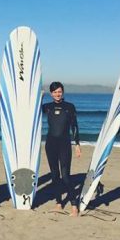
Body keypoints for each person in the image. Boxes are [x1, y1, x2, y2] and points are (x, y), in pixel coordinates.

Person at [42, 81, 81, 216]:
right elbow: (32, 111)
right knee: (54, 175)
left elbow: (74, 126)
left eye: (59, 91)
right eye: (54, 92)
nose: (57, 94)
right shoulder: (47, 107)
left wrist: (77, 144)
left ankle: (74, 206)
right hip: (50, 144)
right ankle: (58, 203)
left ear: (62, 92)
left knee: (65, 176)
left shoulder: (69, 107)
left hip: (64, 144)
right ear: (51, 93)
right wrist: (40, 97)